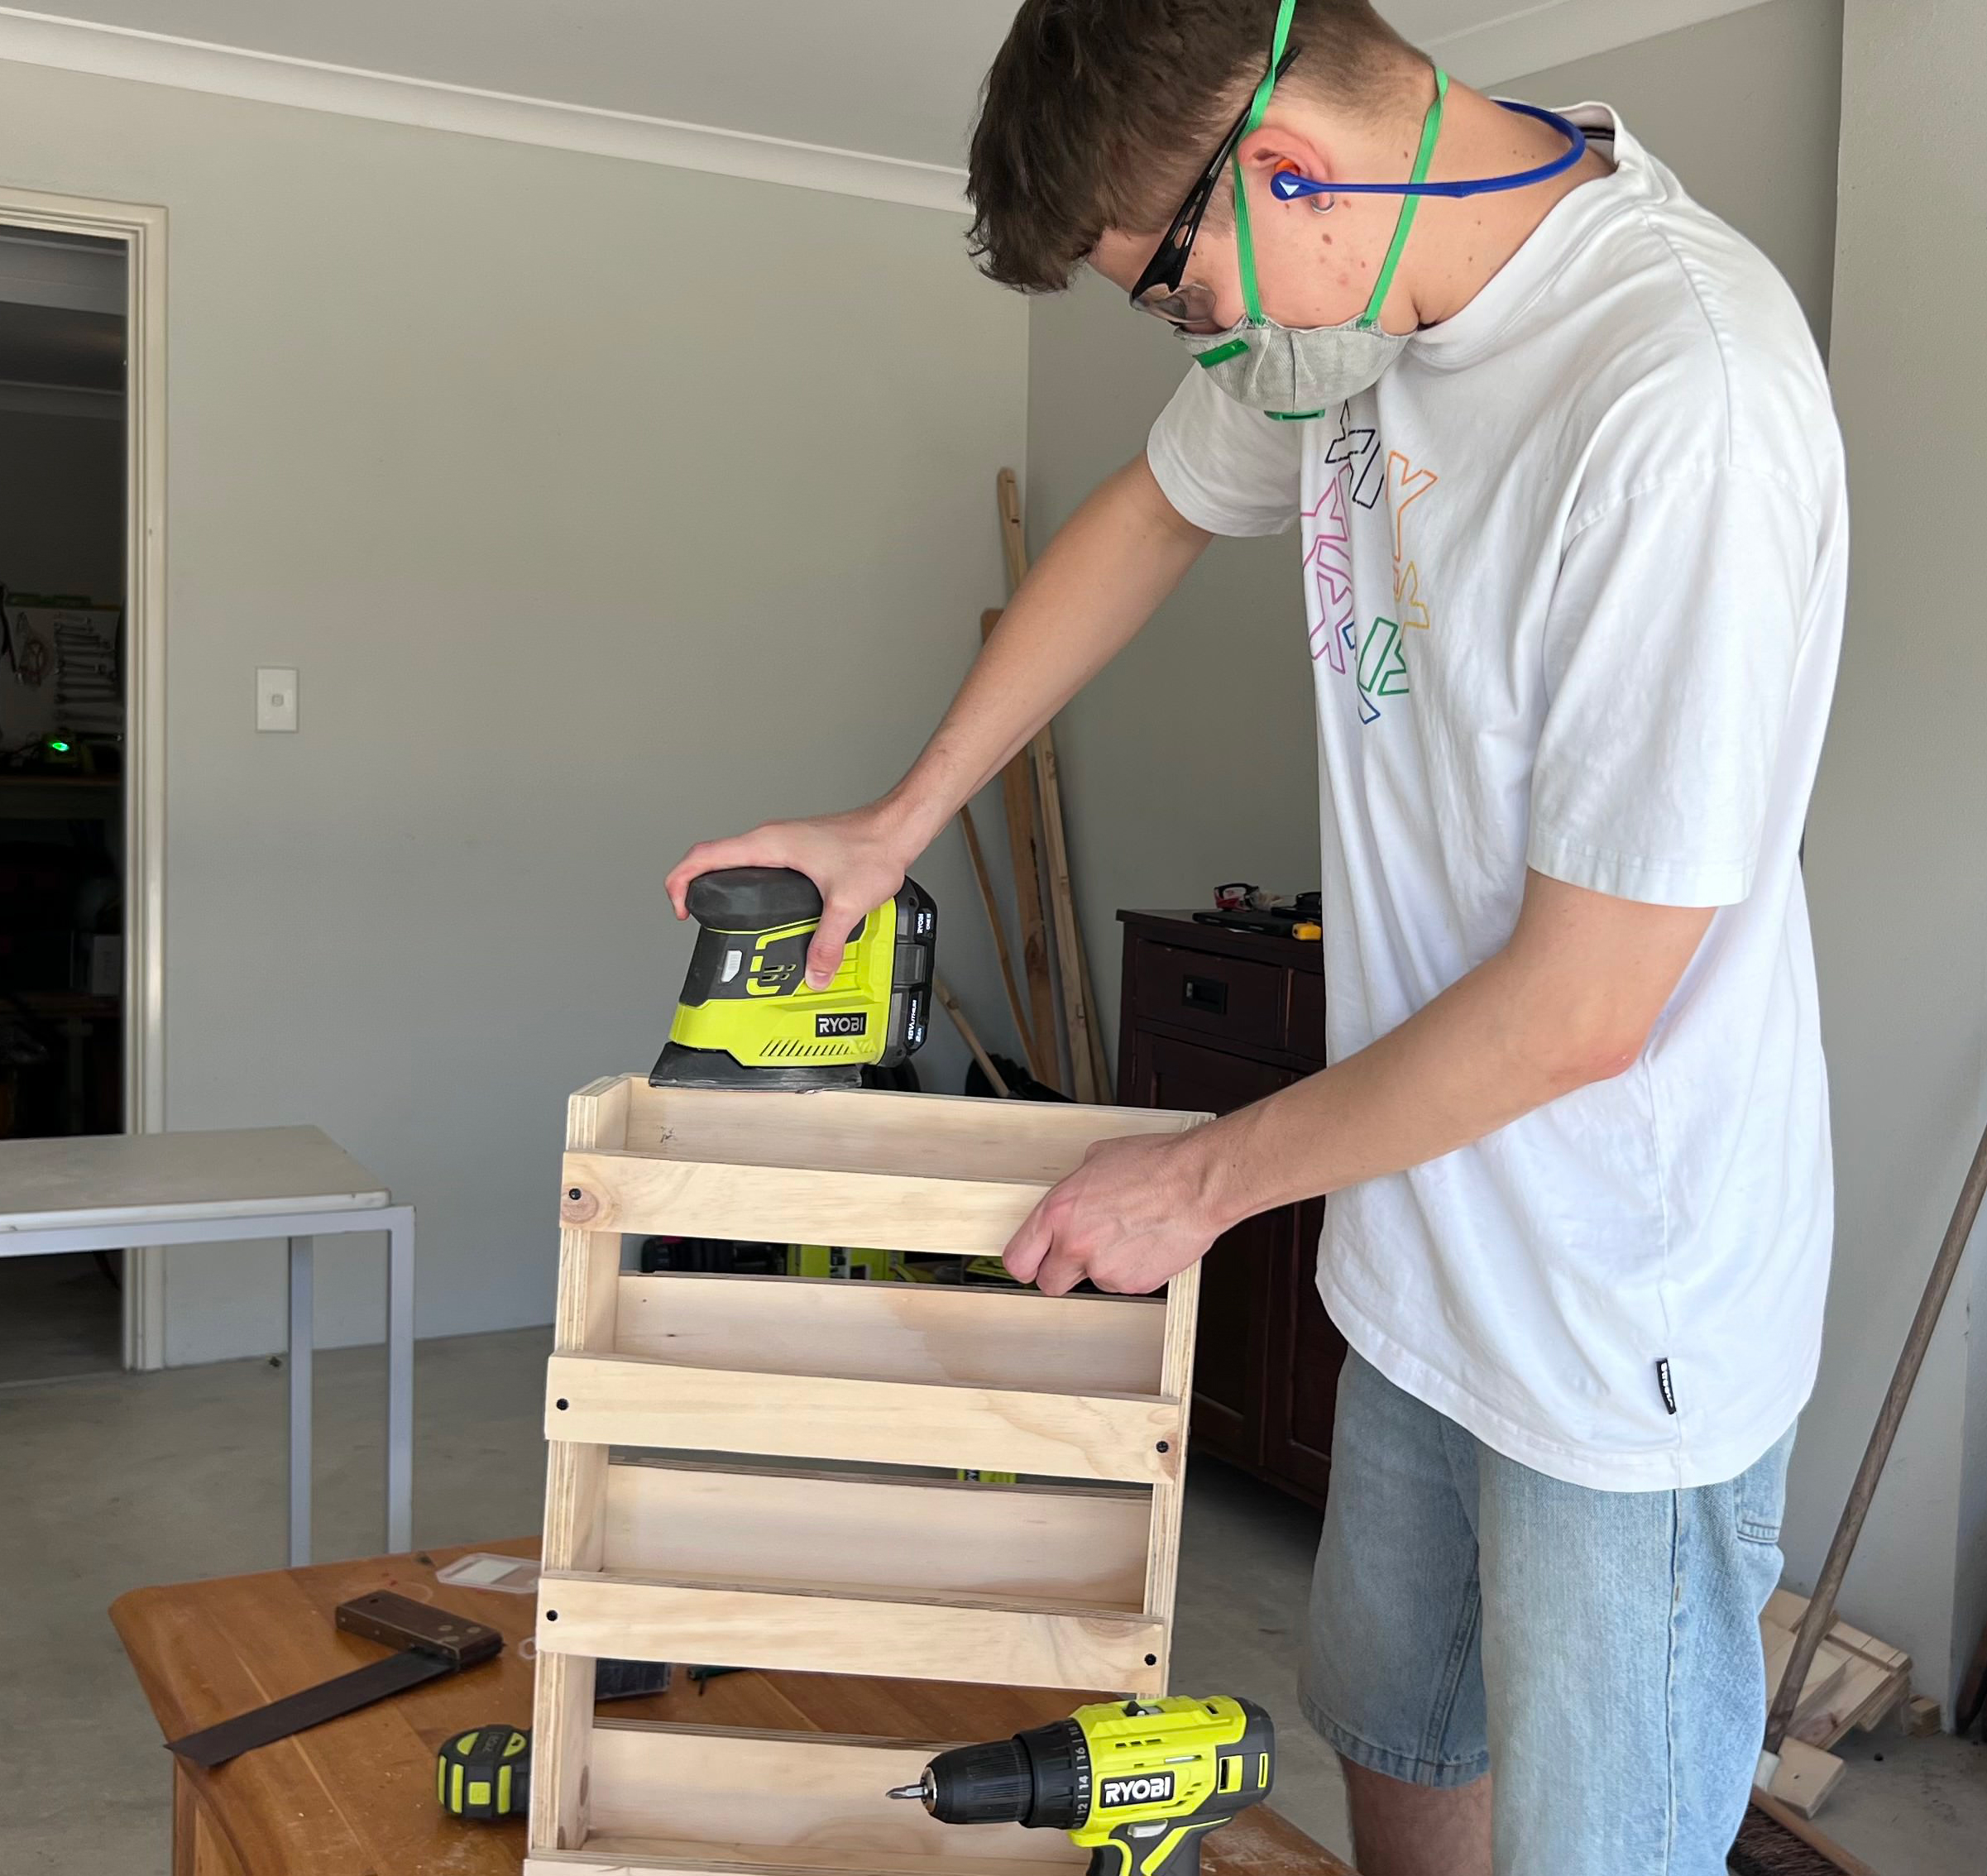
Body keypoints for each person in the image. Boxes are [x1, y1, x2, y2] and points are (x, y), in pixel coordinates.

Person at [667, 3, 1846, 1871]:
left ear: (1290, 163)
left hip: (1623, 1323)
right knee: (1398, 1740)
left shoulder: (1674, 398)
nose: (1200, 342)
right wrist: (898, 825)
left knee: (1592, 1846)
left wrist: (1202, 1180)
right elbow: (1146, 510)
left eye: (1174, 292)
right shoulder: (1343, 313)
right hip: (1417, 1264)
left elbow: (1583, 1007)